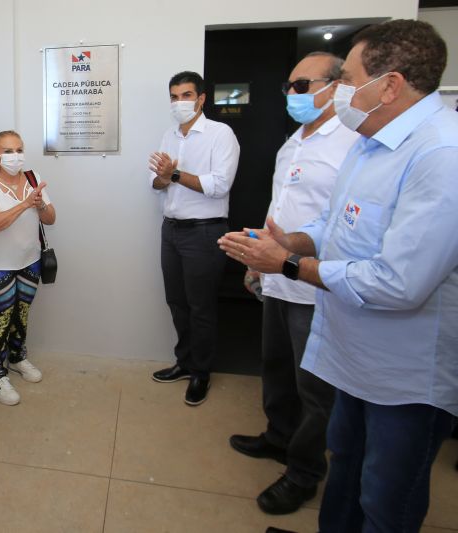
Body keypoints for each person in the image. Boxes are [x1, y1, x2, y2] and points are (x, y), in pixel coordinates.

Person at [219, 20, 458, 532]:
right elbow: (331, 223)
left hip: (402, 377)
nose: (344, 89)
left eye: (348, 78)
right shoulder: (370, 143)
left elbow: (398, 282)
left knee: (384, 500)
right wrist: (286, 243)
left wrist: (286, 264)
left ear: (389, 85)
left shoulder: (441, 155)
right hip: (353, 351)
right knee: (346, 469)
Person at [228, 52, 359, 515]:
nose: (291, 95)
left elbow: (343, 224)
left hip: (315, 285)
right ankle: (278, 437)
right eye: (289, 86)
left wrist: (288, 258)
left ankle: (304, 473)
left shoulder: (350, 142)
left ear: (337, 85)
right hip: (278, 278)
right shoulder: (293, 143)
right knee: (276, 365)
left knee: (315, 387)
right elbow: (279, 209)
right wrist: (258, 260)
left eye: (301, 86)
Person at [148, 71, 240, 406]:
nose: (179, 103)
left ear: (201, 99)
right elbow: (154, 183)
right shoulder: (169, 135)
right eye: (174, 97)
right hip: (171, 229)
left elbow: (219, 185)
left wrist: (172, 174)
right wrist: (162, 178)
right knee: (177, 301)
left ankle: (201, 372)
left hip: (204, 231)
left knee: (201, 307)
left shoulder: (221, 134)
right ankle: (184, 363)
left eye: (186, 96)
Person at [0, 130, 56, 406]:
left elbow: (51, 218)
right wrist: (24, 204)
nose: (15, 156)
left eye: (19, 149)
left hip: (29, 260)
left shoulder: (33, 178)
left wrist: (39, 203)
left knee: (21, 315)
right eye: (7, 151)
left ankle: (18, 358)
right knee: (0, 320)